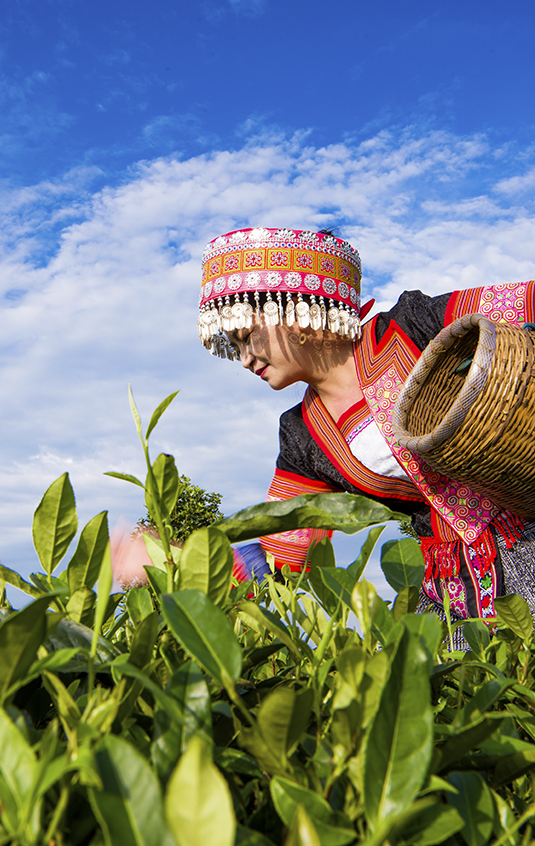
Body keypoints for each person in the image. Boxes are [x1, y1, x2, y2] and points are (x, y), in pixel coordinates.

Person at [197, 226, 535, 635]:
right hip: (451, 592)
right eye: (235, 345)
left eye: (248, 336)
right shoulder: (302, 435)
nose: (245, 358)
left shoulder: (412, 326)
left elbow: (524, 303)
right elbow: (282, 551)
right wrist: (183, 561)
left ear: (294, 312)